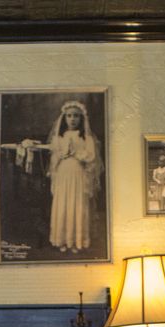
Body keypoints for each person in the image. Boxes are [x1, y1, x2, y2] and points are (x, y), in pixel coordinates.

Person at [43, 100, 99, 255]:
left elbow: (91, 156)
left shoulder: (86, 137)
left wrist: (76, 153)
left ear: (81, 118)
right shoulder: (59, 137)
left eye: (76, 116)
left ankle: (77, 241)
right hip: (63, 173)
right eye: (69, 116)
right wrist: (57, 162)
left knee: (78, 205)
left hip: (78, 173)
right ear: (64, 118)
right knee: (63, 204)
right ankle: (61, 240)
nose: (72, 119)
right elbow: (55, 157)